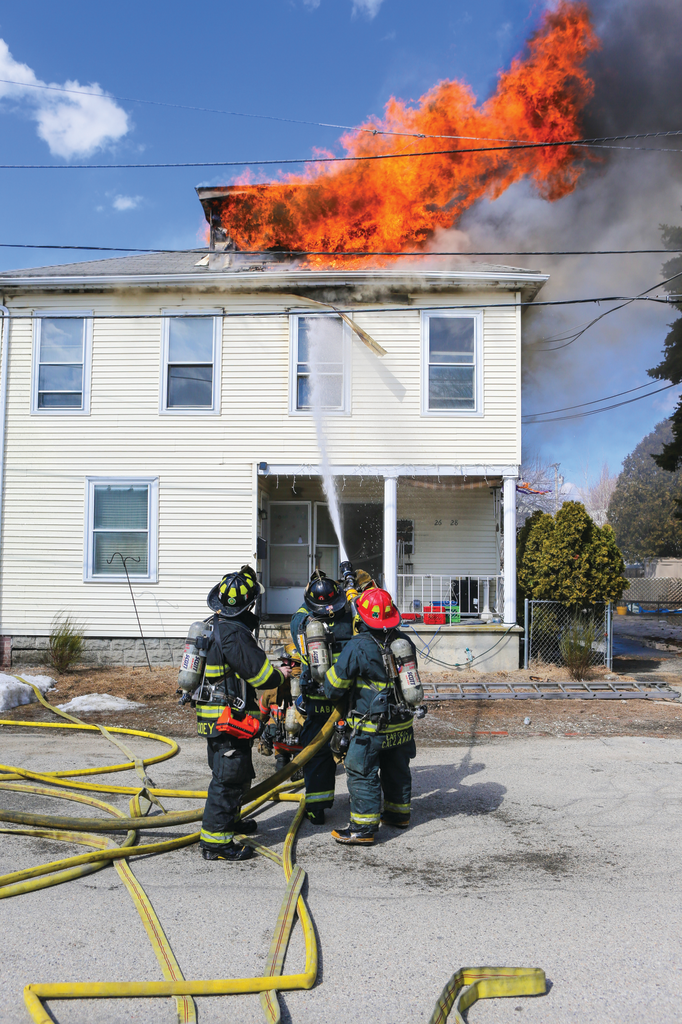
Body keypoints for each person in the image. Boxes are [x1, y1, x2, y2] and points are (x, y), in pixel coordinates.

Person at [196, 565, 289, 862]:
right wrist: (281, 675)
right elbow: (263, 677)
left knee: (232, 774)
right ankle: (216, 843)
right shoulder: (234, 635)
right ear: (247, 605)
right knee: (228, 778)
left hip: (216, 716)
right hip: (227, 719)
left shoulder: (213, 625)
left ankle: (229, 822)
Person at [323, 587, 417, 845]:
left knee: (360, 770)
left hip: (371, 725)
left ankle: (362, 829)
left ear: (362, 618)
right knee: (396, 767)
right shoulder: (404, 643)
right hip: (401, 724)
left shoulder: (358, 646)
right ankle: (398, 815)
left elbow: (333, 687)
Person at [290, 570, 354, 825]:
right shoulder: (350, 615)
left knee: (316, 751)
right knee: (358, 748)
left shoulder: (301, 619)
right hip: (350, 695)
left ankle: (316, 807)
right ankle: (363, 802)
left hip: (317, 696)